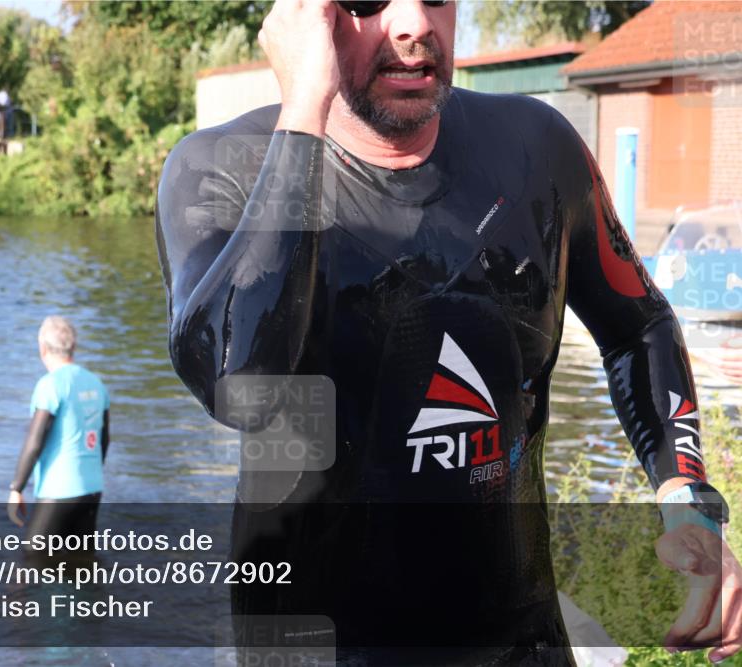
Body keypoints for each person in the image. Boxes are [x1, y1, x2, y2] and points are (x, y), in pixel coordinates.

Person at [154, 1, 740, 664]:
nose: (413, 24)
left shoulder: (535, 152)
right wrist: (304, 116)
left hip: (521, 643)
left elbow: (641, 325)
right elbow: (240, 377)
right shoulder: (217, 172)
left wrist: (684, 494)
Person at [7, 316, 111, 545]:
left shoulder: (50, 385)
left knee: (33, 560)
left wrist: (17, 488)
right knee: (82, 561)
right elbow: (104, 440)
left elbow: (35, 441)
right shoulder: (96, 383)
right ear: (73, 347)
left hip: (59, 489)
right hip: (92, 488)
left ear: (42, 348)